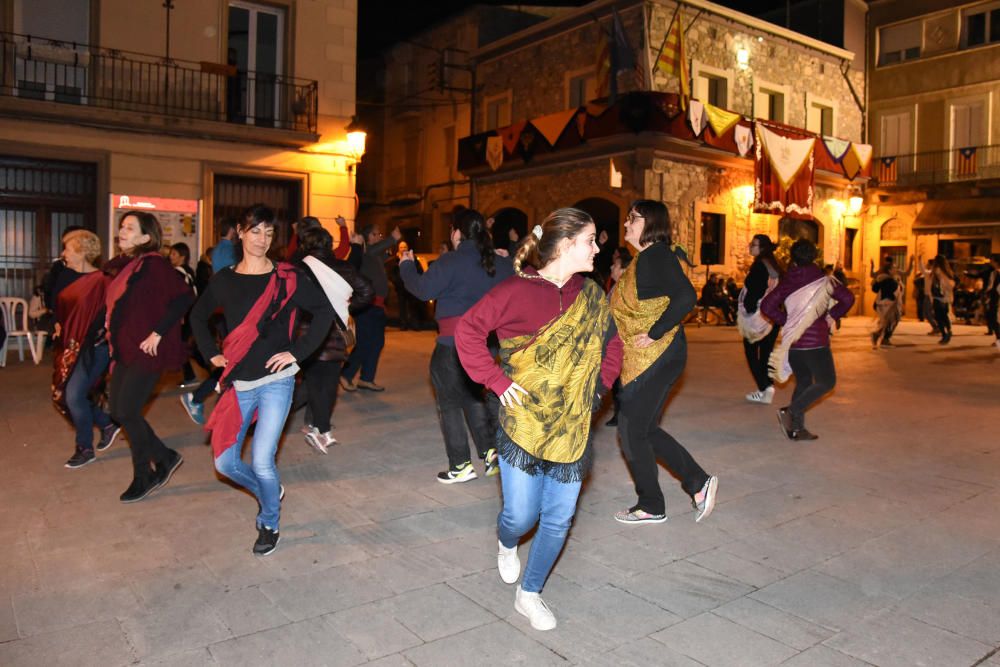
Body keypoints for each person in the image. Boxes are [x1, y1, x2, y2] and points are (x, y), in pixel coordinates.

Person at [456, 207, 622, 631]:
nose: (597, 248)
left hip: (573, 427)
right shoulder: (515, 291)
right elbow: (468, 332)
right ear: (566, 246)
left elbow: (613, 344)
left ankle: (529, 593)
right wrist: (495, 379)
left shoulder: (592, 294)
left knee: (559, 517)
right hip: (524, 423)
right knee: (520, 516)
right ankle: (506, 540)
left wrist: (599, 388)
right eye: (590, 240)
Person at [191, 205, 334, 556]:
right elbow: (197, 316)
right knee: (225, 463)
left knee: (262, 460)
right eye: (255, 231)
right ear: (240, 232)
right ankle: (269, 490)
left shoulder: (288, 277)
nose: (262, 240)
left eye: (269, 233)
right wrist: (210, 353)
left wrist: (297, 354)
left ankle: (269, 521)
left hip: (277, 380)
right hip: (239, 381)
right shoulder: (224, 279)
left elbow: (325, 311)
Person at [611, 200, 717, 526]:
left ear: (650, 223)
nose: (627, 222)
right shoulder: (646, 258)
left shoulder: (656, 255)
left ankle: (652, 505)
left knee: (631, 431)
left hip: (657, 357)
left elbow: (686, 296)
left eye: (633, 218)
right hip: (652, 358)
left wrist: (655, 333)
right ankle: (697, 483)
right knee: (643, 429)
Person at [401, 208, 514, 483]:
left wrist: (406, 264)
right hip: (487, 345)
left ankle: (461, 464)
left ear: (457, 233)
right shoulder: (498, 263)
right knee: (473, 396)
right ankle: (490, 453)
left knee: (450, 403)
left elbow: (422, 289)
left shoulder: (451, 261)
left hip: (453, 344)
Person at [105, 212, 193, 502]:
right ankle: (165, 457)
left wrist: (158, 332)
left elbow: (184, 297)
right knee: (118, 411)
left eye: (130, 228)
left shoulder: (154, 265)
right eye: (121, 226)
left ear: (146, 237)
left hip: (147, 350)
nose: (122, 231)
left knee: (128, 411)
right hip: (127, 349)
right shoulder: (129, 267)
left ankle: (144, 474)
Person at [761, 238, 854, 441]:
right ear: (814, 257)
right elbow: (848, 298)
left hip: (794, 342)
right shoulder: (826, 281)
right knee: (827, 382)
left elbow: (766, 306)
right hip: (816, 343)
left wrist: (786, 320)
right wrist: (832, 316)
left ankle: (796, 429)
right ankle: (791, 411)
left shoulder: (788, 282)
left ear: (793, 257)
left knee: (803, 382)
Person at [292, 226, 373, 453]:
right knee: (327, 383)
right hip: (336, 332)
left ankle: (320, 429)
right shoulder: (344, 267)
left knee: (313, 383)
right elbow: (367, 291)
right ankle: (322, 430)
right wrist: (347, 307)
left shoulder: (299, 270)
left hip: (307, 334)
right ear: (328, 245)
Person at [51, 230, 120, 468]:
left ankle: (85, 448)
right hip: (69, 345)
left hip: (94, 348)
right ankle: (107, 423)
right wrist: (58, 325)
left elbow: (112, 315)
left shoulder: (104, 281)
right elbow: (58, 309)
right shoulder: (64, 276)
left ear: (81, 251)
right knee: (63, 394)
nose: (63, 254)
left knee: (73, 394)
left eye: (68, 249)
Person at [340, 223, 401, 392]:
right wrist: (392, 239)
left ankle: (366, 378)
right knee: (365, 343)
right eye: (375, 234)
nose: (378, 237)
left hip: (378, 306)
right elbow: (376, 248)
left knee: (377, 343)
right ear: (367, 238)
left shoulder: (375, 256)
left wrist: (394, 244)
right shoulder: (366, 252)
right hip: (367, 306)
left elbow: (388, 254)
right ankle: (346, 374)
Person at [739, 234, 782, 404]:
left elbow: (754, 291)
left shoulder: (759, 266)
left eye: (754, 244)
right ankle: (766, 389)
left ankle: (765, 387)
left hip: (759, 316)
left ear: (762, 247)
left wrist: (748, 311)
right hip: (774, 316)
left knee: (750, 351)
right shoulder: (775, 265)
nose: (750, 246)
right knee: (765, 353)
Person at [388, 240, 423, 330]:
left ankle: (415, 324)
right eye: (401, 247)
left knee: (413, 307)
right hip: (401, 288)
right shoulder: (395, 260)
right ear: (398, 249)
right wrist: (397, 282)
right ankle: (403, 324)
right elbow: (391, 274)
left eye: (405, 247)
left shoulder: (413, 258)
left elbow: (420, 271)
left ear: (408, 248)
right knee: (402, 307)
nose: (403, 249)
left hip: (412, 288)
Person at [869, 257, 902, 349]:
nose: (896, 270)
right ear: (890, 270)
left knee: (888, 323)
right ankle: (883, 339)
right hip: (887, 304)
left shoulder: (885, 279)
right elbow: (889, 291)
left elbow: (875, 288)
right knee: (890, 322)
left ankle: (880, 337)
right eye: (894, 268)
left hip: (884, 304)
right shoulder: (888, 280)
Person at [927, 255, 956, 344]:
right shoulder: (948, 271)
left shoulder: (937, 270)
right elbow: (952, 283)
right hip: (946, 298)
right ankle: (949, 330)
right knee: (944, 315)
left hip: (938, 297)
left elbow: (937, 283)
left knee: (939, 317)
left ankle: (944, 334)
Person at [985, 254, 1000, 350]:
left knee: (994, 319)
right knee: (993, 319)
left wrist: (989, 294)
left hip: (996, 299)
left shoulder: (997, 273)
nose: (990, 262)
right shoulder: (994, 272)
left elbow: (995, 288)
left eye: (991, 260)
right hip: (994, 298)